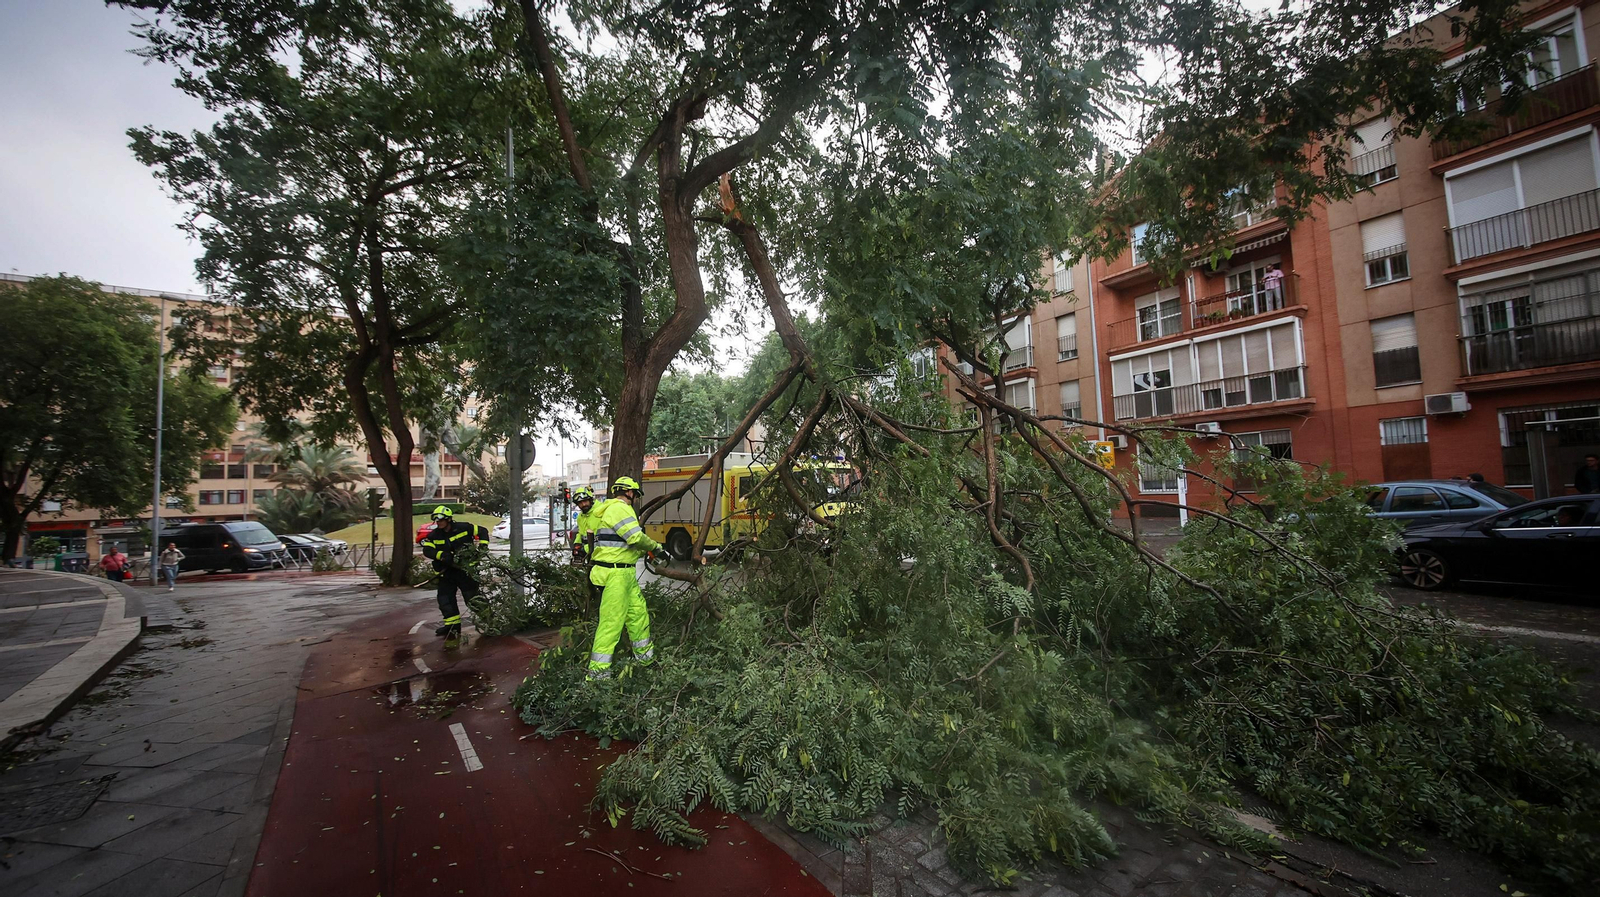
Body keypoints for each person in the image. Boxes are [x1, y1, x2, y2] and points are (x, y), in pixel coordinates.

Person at [586, 476, 670, 680]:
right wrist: (656, 548)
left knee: (638, 616)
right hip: (616, 573)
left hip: (623, 572)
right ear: (630, 493)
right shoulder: (620, 508)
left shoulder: (606, 510)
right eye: (635, 495)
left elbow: (621, 543)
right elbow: (635, 537)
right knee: (611, 623)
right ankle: (597, 677)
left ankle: (645, 661)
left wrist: (643, 552)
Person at [419, 506, 488, 640]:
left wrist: (483, 548)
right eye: (436, 520)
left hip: (466, 572)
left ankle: (491, 621)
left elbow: (483, 531)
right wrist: (441, 555)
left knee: (472, 600)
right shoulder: (434, 536)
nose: (438, 523)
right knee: (445, 599)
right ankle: (452, 626)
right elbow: (427, 550)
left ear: (449, 519)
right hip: (448, 573)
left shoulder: (464, 528)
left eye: (441, 520)